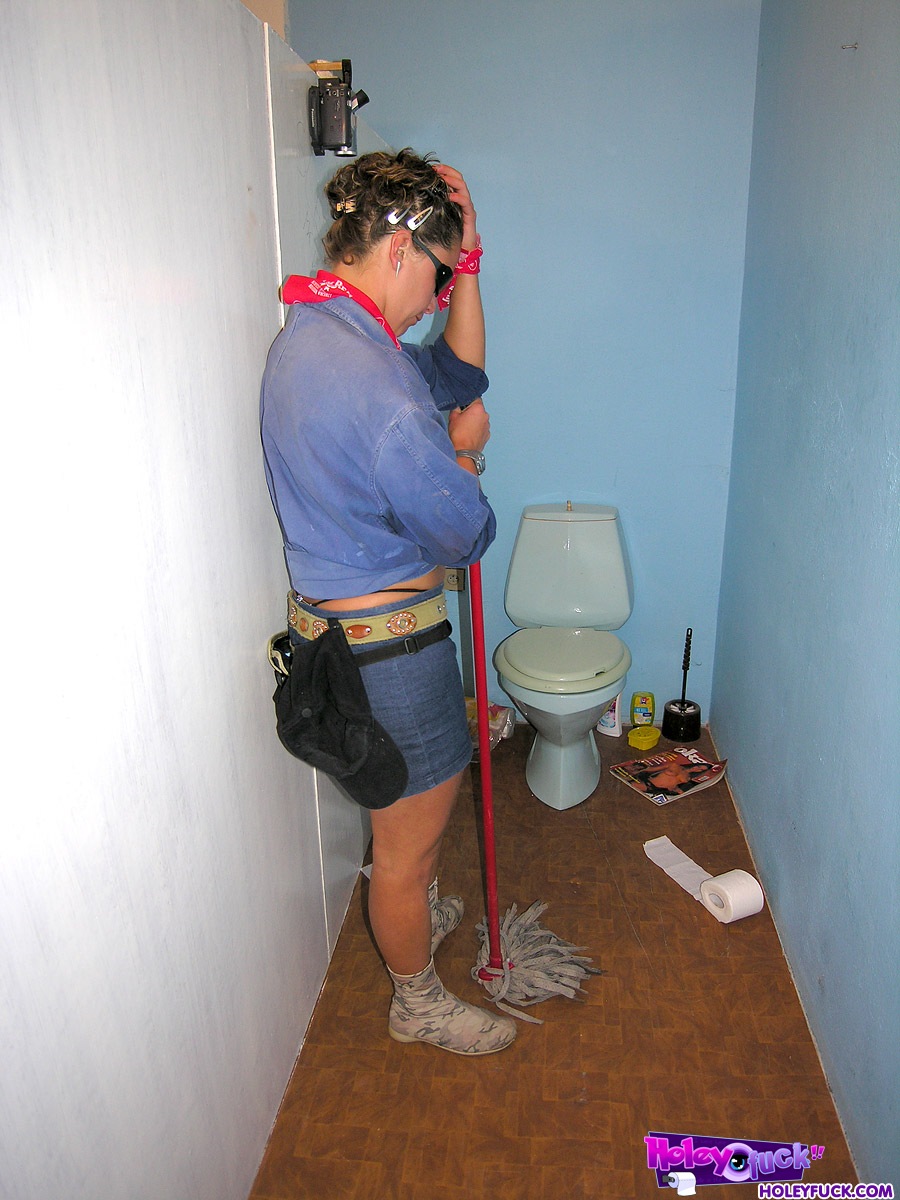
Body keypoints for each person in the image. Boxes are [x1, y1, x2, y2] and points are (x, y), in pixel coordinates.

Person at [260, 149, 516, 1057]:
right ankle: (418, 1002)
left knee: (408, 833)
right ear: (400, 249)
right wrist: (467, 454)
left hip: (347, 639)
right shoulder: (381, 392)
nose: (439, 299)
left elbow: (457, 373)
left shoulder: (320, 335)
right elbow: (464, 533)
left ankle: (415, 910)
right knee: (405, 851)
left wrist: (468, 261)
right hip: (392, 656)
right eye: (438, 278)